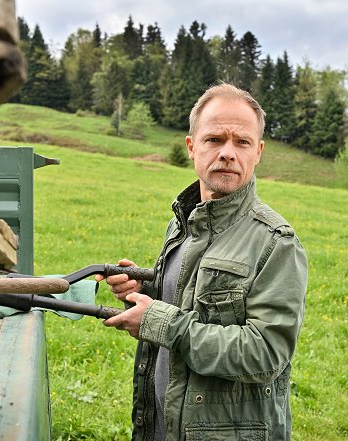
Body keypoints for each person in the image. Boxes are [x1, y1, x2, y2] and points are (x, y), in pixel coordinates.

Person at [96, 83, 308, 441]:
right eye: (214, 139)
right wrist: (147, 289)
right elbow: (192, 302)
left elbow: (267, 353)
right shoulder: (184, 221)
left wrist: (161, 322)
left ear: (258, 152)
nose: (228, 153)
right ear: (191, 147)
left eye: (241, 142)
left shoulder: (276, 242)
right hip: (163, 426)